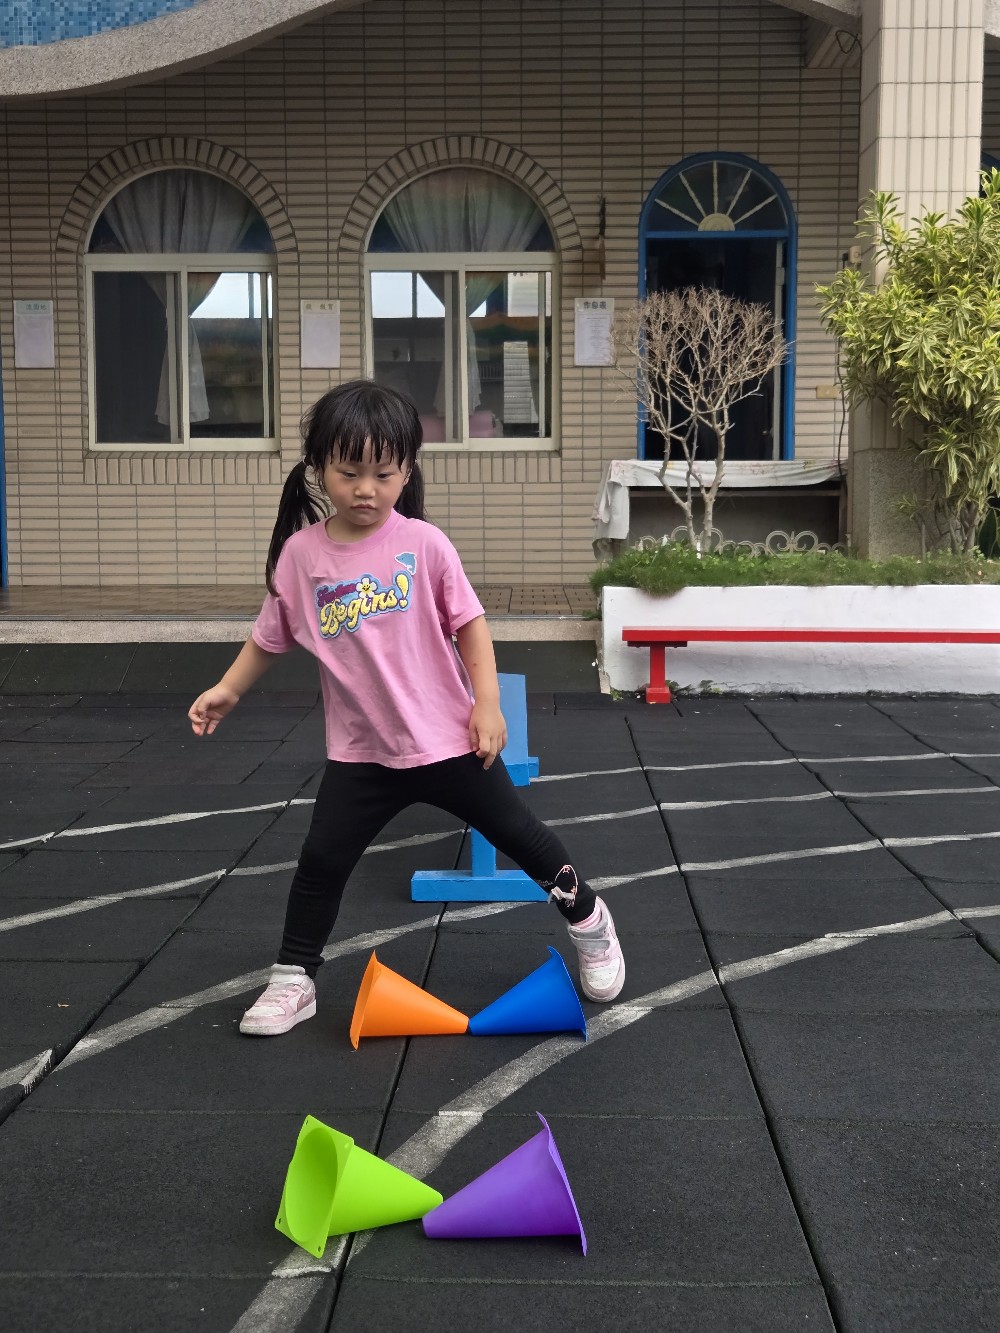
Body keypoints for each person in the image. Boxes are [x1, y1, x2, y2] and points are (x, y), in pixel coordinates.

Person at [188, 379, 625, 1036]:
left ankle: (590, 921)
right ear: (319, 468)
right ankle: (294, 978)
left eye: (383, 474)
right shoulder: (302, 556)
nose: (366, 489)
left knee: (524, 839)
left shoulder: (424, 544)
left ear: (407, 471)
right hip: (362, 754)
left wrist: (486, 705)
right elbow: (269, 636)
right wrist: (228, 688)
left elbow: (471, 626)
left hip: (448, 741)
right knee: (321, 862)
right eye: (349, 472)